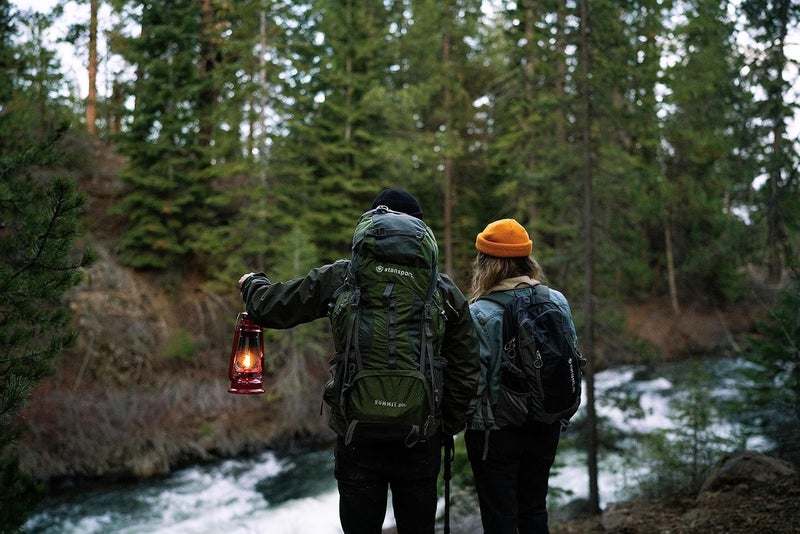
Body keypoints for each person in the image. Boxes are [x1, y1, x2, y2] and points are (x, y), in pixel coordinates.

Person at [238, 188, 480, 534]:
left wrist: (253, 284)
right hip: (421, 434)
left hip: (357, 435)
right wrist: (447, 422)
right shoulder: (440, 289)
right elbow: (467, 365)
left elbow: (271, 307)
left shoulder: (342, 277)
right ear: (419, 232)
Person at [464, 218, 579, 534]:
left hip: (495, 431)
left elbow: (474, 380)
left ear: (485, 263)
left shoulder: (479, 313)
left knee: (500, 516)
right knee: (534, 508)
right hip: (546, 423)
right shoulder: (556, 301)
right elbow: (571, 359)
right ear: (527, 260)